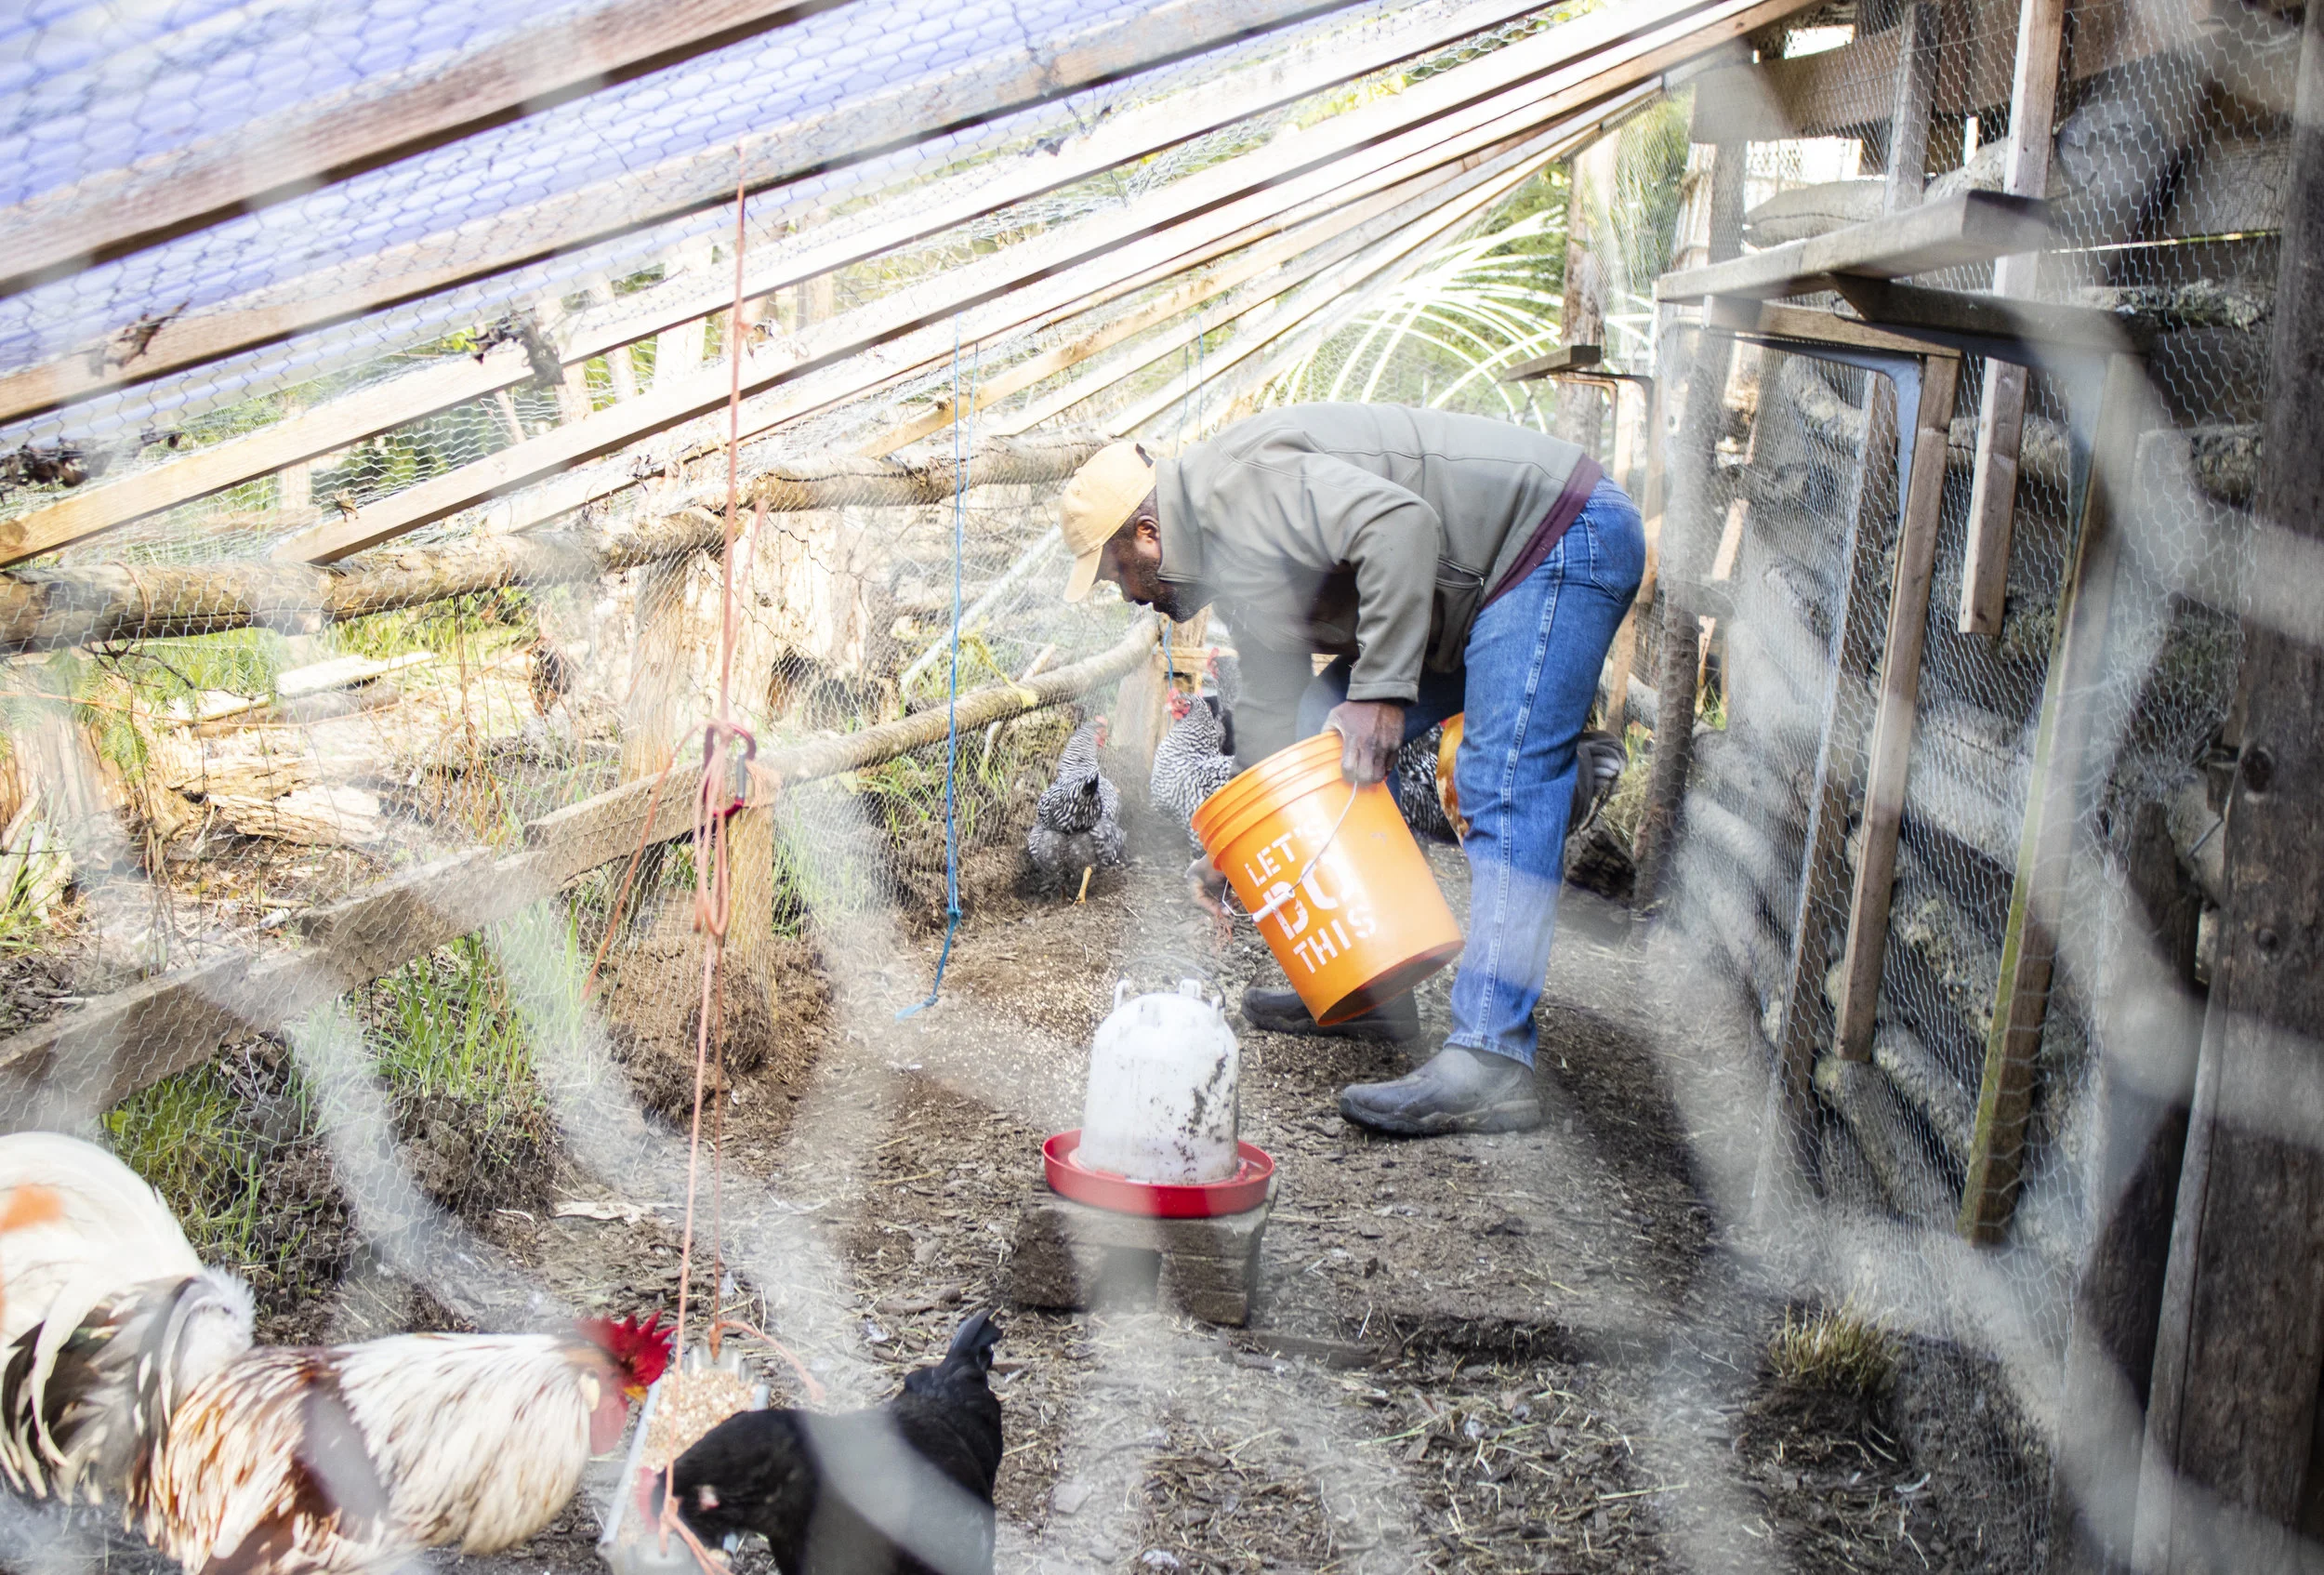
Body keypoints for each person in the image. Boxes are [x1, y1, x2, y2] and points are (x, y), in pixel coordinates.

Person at [1055, 404, 1644, 1137]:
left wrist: (1382, 695)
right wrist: (1245, 848)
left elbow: (1401, 526)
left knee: (1505, 780)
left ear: (1148, 535)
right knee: (1316, 725)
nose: (1130, 596)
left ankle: (1493, 1058)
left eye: (1119, 576)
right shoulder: (1221, 562)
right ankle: (1371, 988)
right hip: (1466, 600)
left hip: (1552, 540)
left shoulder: (1242, 488)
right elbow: (1273, 708)